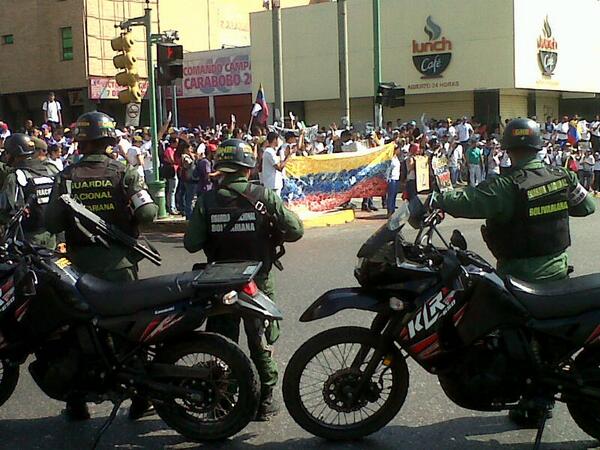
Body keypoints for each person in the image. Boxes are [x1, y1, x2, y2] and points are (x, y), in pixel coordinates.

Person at [431, 118, 595, 427]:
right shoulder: (561, 177)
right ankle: (536, 397)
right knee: (542, 338)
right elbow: (587, 208)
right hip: (557, 269)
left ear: (508, 148)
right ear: (537, 145)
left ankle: (536, 400)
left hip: (519, 271)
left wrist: (436, 197)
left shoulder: (508, 185)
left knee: (512, 335)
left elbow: (471, 201)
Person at [45, 111, 158, 421]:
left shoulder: (66, 176)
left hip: (79, 270)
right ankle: (140, 398)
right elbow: (148, 213)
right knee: (130, 333)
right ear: (110, 141)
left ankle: (77, 401)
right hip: (121, 266)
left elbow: (50, 221)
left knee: (77, 332)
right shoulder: (126, 173)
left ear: (80, 143)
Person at [184, 139, 304, 422]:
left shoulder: (207, 200)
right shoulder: (264, 196)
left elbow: (191, 243)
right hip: (256, 280)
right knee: (259, 338)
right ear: (248, 169)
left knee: (224, 341)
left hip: (220, 282)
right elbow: (296, 230)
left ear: (221, 170)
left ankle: (224, 397)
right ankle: (265, 399)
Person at [0, 133, 58, 249]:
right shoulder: (50, 170)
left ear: (12, 154)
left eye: (6, 153)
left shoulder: (16, 176)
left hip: (26, 240)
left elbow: (5, 211)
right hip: (52, 239)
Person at [262, 131, 289, 196]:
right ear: (275, 140)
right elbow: (279, 167)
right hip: (272, 184)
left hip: (274, 184)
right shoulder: (269, 151)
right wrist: (288, 156)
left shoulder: (272, 151)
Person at [386, 146, 401, 216]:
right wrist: (387, 178)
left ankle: (393, 209)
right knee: (391, 196)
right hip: (391, 179)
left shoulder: (396, 158)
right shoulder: (391, 159)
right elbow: (388, 169)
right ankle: (389, 210)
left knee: (394, 195)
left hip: (397, 178)